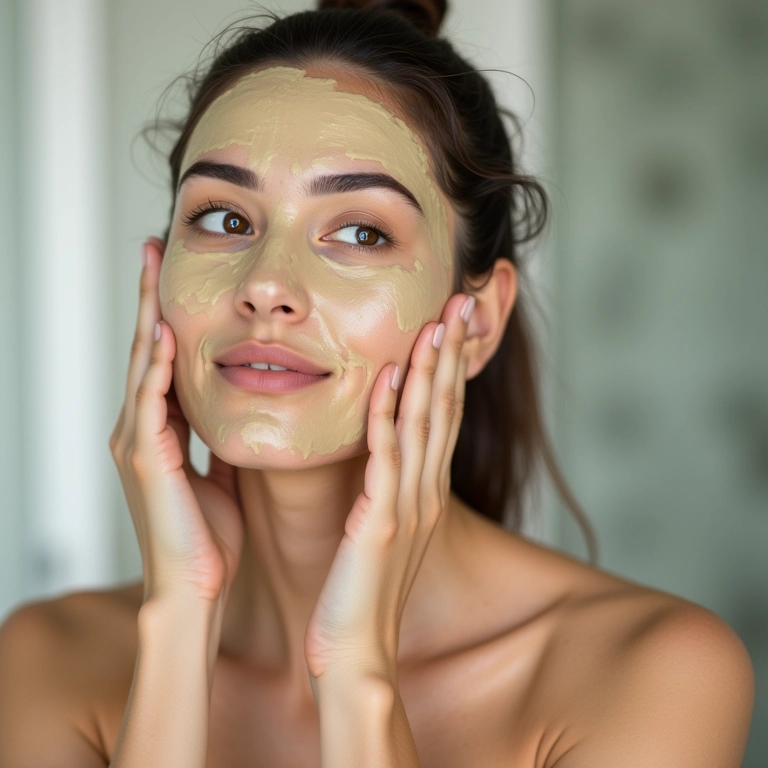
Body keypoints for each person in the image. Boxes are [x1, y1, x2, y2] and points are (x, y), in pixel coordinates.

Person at [0, 1, 755, 766]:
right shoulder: (48, 660)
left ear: (478, 321)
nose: (265, 285)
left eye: (361, 232)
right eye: (225, 219)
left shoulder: (651, 674)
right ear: (159, 276)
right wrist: (179, 623)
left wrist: (357, 673)